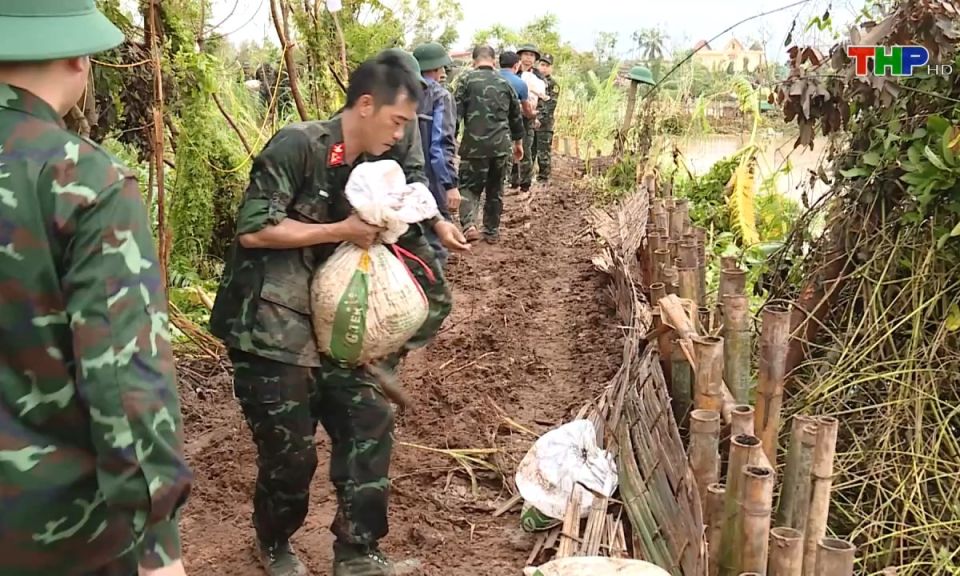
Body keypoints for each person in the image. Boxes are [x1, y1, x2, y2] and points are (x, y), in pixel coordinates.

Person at [209, 51, 460, 576]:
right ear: (365, 105)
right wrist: (339, 231)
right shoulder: (299, 144)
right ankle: (274, 542)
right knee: (292, 454)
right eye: (396, 122)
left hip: (330, 321)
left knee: (370, 419)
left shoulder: (372, 172)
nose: (399, 134)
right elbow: (255, 229)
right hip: (268, 324)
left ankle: (357, 551)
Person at [0, 1, 193, 576]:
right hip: (56, 538)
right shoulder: (79, 180)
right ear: (78, 58)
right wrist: (158, 541)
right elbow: (124, 382)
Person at [454, 45, 524, 244]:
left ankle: (469, 225)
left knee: (468, 187)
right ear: (493, 61)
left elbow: (455, 114)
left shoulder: (465, 80)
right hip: (501, 146)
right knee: (495, 190)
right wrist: (519, 144)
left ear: (473, 61)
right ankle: (491, 232)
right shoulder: (505, 82)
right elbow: (516, 118)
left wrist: (451, 139)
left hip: (473, 147)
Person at [412, 42, 461, 267]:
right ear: (438, 69)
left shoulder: (400, 93)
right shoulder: (441, 96)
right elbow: (440, 146)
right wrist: (450, 184)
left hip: (402, 176)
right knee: (438, 233)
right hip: (431, 178)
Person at [507, 43, 542, 192]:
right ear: (519, 57)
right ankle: (512, 181)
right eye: (525, 55)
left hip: (528, 118)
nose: (528, 58)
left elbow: (542, 98)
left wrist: (538, 115)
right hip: (512, 117)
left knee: (526, 150)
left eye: (532, 55)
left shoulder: (538, 77)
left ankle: (525, 184)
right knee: (510, 150)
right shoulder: (513, 74)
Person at [534, 53, 560, 183]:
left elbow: (550, 105)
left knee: (543, 153)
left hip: (544, 125)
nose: (544, 68)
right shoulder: (533, 80)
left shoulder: (552, 85)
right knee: (529, 152)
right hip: (530, 121)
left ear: (551, 68)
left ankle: (543, 179)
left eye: (547, 66)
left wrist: (539, 119)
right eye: (542, 65)